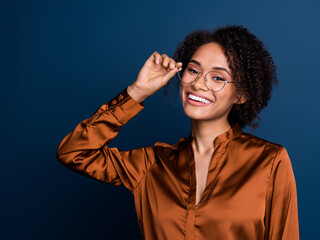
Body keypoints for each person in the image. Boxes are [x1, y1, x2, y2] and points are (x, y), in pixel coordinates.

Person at [56, 25, 299, 240]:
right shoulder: (151, 165)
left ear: (242, 95)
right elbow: (74, 152)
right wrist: (137, 92)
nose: (198, 84)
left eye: (217, 77)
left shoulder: (269, 162)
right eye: (193, 70)